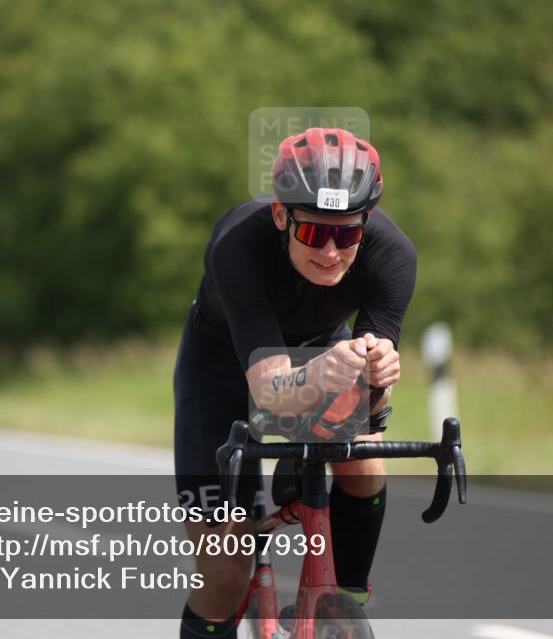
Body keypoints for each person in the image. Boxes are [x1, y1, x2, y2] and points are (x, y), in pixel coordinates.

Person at [173, 127, 416, 637]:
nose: (330, 252)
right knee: (224, 575)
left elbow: (371, 398)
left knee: (363, 455)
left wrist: (380, 377)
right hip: (220, 366)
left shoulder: (393, 256)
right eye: (313, 233)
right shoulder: (237, 244)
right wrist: (319, 374)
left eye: (346, 234)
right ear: (282, 216)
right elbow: (268, 391)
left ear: (366, 224)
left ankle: (344, 603)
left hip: (318, 349)